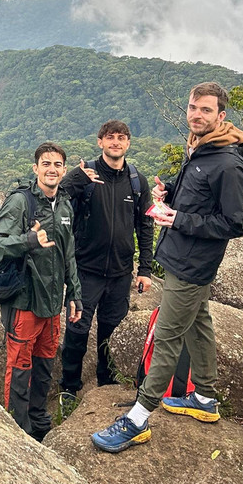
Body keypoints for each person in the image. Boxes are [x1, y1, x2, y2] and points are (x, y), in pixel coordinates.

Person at [91, 81, 243, 453]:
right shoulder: (202, 149)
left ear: (221, 116)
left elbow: (235, 223)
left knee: (167, 337)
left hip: (193, 263)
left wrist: (179, 219)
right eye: (193, 107)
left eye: (206, 110)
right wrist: (170, 194)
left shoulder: (227, 163)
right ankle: (205, 399)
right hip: (180, 257)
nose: (197, 114)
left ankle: (138, 419)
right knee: (200, 325)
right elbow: (196, 196)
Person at [0, 143, 82, 441]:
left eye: (57, 164)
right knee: (20, 365)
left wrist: (74, 293)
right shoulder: (21, 202)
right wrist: (28, 240)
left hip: (52, 303)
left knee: (44, 362)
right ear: (36, 168)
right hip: (24, 299)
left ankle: (39, 420)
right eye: (46, 163)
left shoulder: (64, 204)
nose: (51, 169)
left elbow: (68, 253)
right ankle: (17, 427)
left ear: (64, 170)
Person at [58, 121, 153, 409]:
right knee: (77, 330)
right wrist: (76, 178)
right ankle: (69, 387)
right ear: (100, 142)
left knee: (111, 332)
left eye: (121, 138)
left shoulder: (137, 181)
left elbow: (145, 225)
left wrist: (145, 269)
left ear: (128, 143)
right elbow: (54, 199)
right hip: (85, 270)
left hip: (121, 273)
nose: (115, 142)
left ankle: (107, 382)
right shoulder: (86, 175)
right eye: (110, 138)